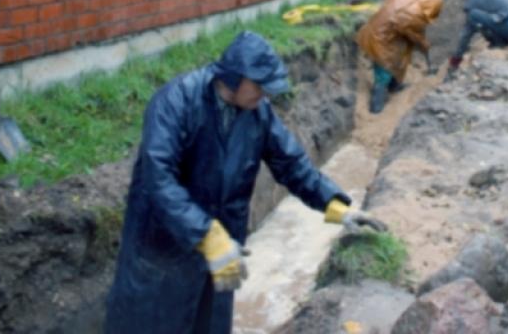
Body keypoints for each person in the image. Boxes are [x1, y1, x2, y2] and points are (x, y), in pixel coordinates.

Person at [105, 31, 385, 334]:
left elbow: (291, 163)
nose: (265, 95)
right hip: (164, 251)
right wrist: (204, 234)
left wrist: (335, 205)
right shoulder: (175, 103)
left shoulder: (258, 113)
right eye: (260, 86)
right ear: (234, 78)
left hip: (221, 252)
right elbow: (158, 180)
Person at [356, 0, 443, 114]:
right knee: (384, 69)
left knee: (399, 60)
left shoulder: (408, 0)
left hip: (379, 33)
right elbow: (415, 37)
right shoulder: (415, 15)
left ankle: (394, 86)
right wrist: (424, 45)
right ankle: (375, 108)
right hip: (380, 40)